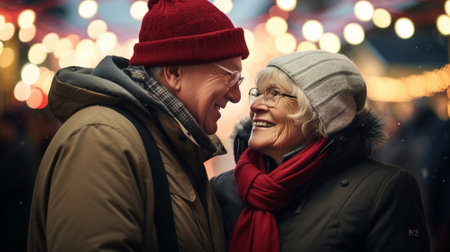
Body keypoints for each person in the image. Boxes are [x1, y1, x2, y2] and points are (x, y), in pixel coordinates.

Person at [27, 0, 249, 251]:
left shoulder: (173, 146)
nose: (236, 96)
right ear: (174, 72)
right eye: (229, 76)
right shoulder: (102, 139)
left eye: (240, 79)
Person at [211, 50, 430, 252]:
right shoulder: (223, 189)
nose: (255, 105)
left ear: (321, 116)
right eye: (258, 93)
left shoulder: (383, 190)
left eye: (275, 94)